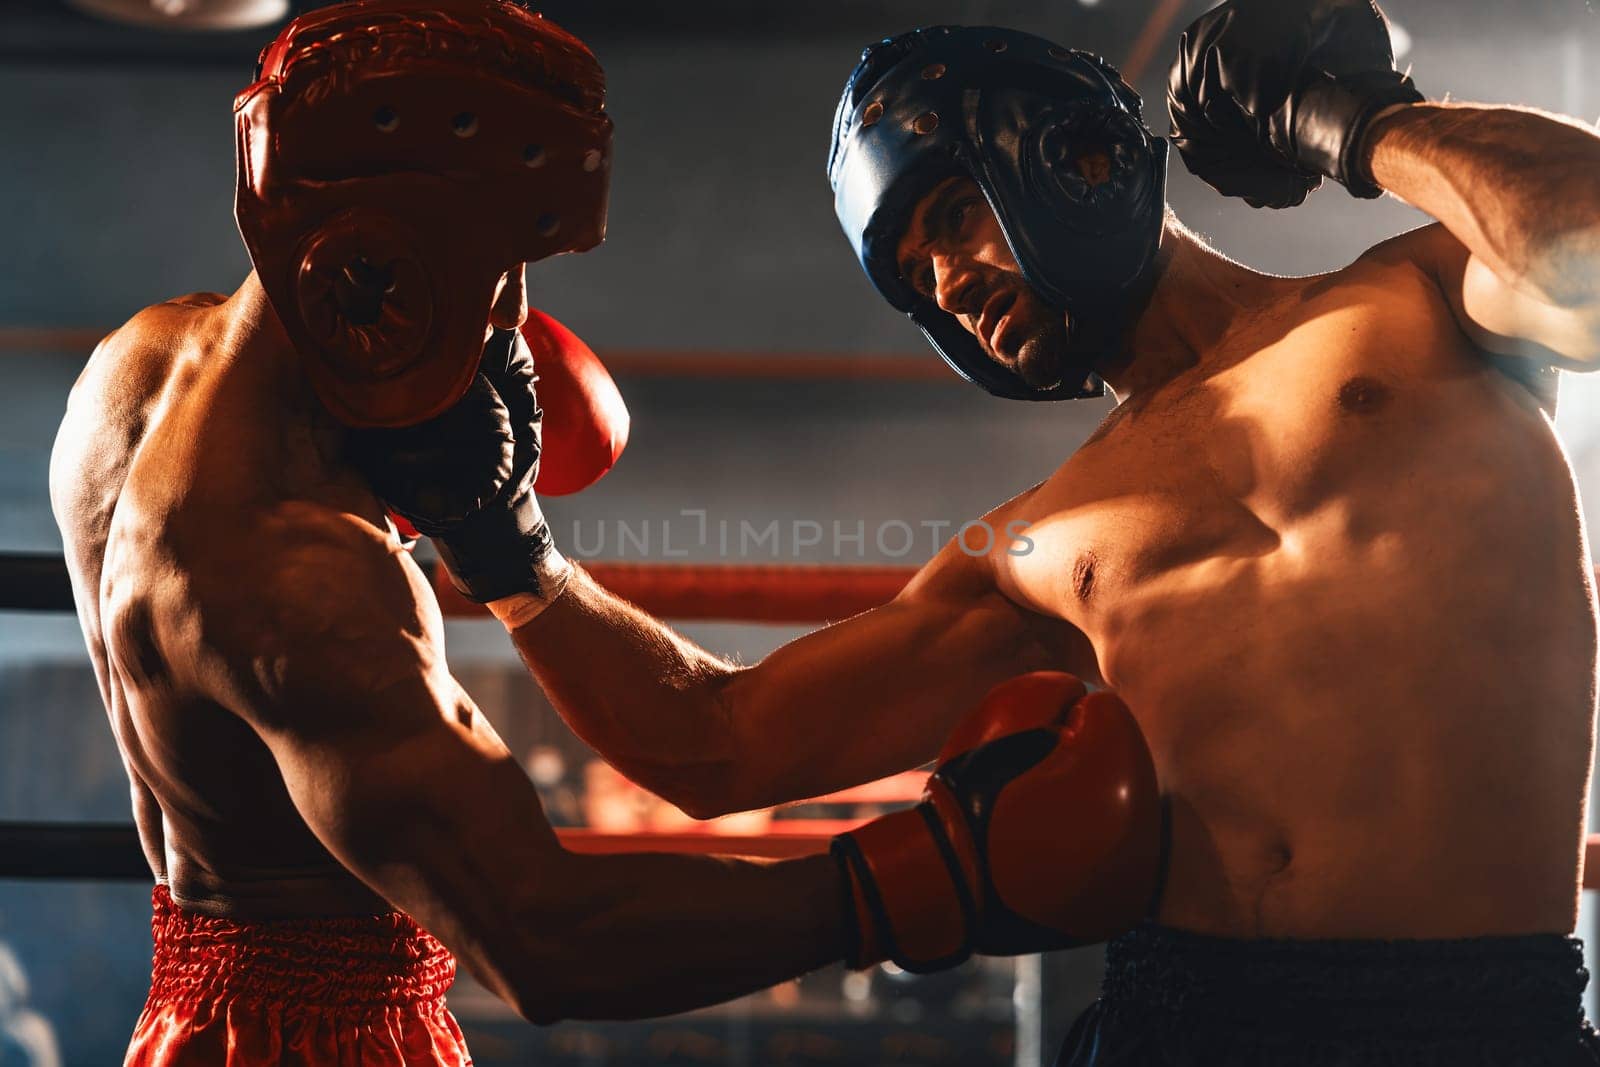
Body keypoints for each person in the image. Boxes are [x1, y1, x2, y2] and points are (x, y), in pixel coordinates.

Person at [353, 2, 1600, 1063]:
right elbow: (718, 744)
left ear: (1075, 157)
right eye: (911, 274)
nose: (942, 284)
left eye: (947, 219)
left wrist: (1364, 121)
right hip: (1191, 1016)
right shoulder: (1035, 541)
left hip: (1478, 1011)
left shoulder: (1421, 299)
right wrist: (507, 544)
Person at [47, 1, 1162, 1063]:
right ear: (374, 248)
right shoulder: (301, 581)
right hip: (330, 1035)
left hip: (196, 1002)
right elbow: (544, 936)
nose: (511, 311)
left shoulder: (134, 368)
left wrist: (508, 542)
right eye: (493, 255)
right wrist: (927, 880)